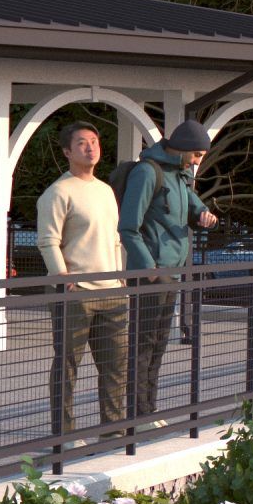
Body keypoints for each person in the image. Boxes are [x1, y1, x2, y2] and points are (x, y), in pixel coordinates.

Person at [119, 119, 219, 425]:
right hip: (151, 273)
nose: (199, 161)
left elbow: (195, 207)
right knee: (143, 343)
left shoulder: (181, 175)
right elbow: (128, 227)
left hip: (172, 271)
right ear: (185, 147)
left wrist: (205, 217)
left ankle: (149, 410)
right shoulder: (148, 172)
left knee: (159, 342)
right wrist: (149, 268)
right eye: (198, 154)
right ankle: (137, 413)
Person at [37, 124, 127, 439]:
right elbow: (47, 240)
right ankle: (64, 435)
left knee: (116, 368)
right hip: (76, 295)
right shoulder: (58, 193)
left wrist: (120, 276)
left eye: (94, 141)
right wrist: (61, 276)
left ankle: (113, 431)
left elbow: (115, 239)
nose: (90, 148)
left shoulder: (105, 190)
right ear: (67, 152)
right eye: (82, 143)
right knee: (67, 367)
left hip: (112, 291)